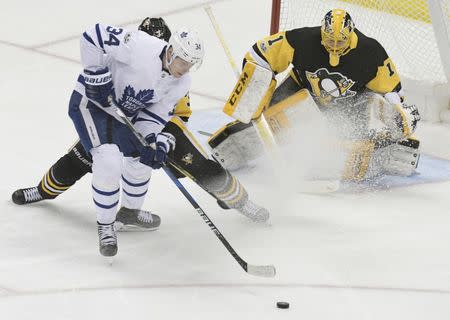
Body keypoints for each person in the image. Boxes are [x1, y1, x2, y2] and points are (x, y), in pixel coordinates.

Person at [12, 18, 269, 257]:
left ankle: (240, 201)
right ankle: (44, 191)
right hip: (120, 117)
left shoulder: (178, 79)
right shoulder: (135, 49)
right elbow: (96, 41)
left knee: (198, 163)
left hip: (167, 127)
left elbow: (177, 115)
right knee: (84, 156)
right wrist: (97, 77)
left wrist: (160, 141)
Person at [208, 9, 421, 181]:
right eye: (330, 40)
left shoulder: (370, 51)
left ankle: (390, 153)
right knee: (272, 122)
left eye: (340, 42)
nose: (334, 47)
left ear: (351, 34)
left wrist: (399, 113)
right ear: (322, 32)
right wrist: (255, 85)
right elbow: (260, 53)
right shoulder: (303, 39)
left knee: (351, 153)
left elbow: (392, 89)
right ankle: (231, 146)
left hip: (349, 104)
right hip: (300, 89)